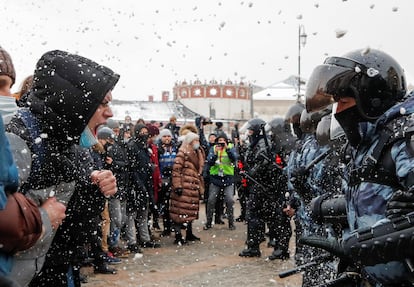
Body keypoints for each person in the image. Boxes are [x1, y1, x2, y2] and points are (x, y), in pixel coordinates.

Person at [6, 50, 119, 286]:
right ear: (74, 103)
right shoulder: (18, 139)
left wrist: (94, 187)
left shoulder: (72, 143)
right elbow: (5, 226)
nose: (110, 113)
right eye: (103, 103)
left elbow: (72, 228)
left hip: (57, 272)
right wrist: (43, 218)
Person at [303, 48, 414, 286]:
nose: (338, 111)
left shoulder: (405, 141)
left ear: (372, 98)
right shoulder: (365, 145)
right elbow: (376, 199)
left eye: (343, 101)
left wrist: (367, 244)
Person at [170, 132, 205, 245]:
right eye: (195, 140)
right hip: (184, 186)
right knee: (180, 212)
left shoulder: (198, 152)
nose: (197, 143)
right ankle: (178, 235)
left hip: (192, 186)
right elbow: (176, 170)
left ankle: (189, 232)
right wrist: (178, 185)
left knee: (190, 211)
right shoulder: (183, 152)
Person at [203, 132, 238, 230]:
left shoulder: (231, 147)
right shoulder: (213, 149)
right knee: (211, 200)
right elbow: (209, 161)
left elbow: (234, 158)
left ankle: (231, 223)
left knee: (230, 200)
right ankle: (208, 222)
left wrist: (227, 149)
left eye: (223, 141)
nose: (221, 143)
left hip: (228, 178)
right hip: (216, 178)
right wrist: (215, 154)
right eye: (219, 141)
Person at [157, 128, 178, 237]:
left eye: (168, 136)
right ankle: (166, 227)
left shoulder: (175, 147)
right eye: (165, 136)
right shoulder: (159, 149)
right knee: (165, 205)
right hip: (164, 178)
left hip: (174, 178)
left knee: (174, 204)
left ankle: (176, 225)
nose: (167, 138)